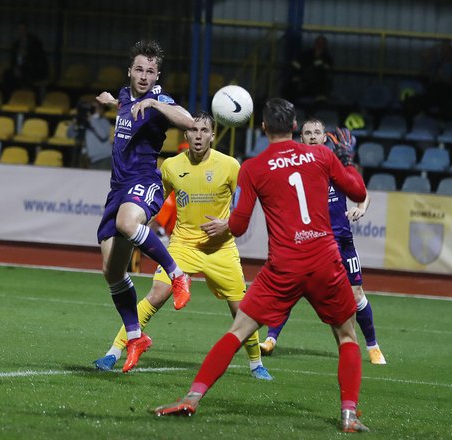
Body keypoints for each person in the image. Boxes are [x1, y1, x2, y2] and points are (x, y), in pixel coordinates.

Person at [153, 98, 370, 433]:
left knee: (238, 330)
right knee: (346, 336)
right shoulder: (322, 155)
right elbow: (356, 189)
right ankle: (348, 415)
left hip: (284, 265)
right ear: (295, 126)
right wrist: (347, 161)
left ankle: (191, 398)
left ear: (264, 128)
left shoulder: (254, 167)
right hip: (325, 260)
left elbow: (238, 226)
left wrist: (223, 225)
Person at [92, 111, 272, 380]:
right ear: (186, 133)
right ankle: (114, 351)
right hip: (183, 245)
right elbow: (154, 202)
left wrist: (227, 223)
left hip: (220, 249)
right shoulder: (171, 166)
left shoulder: (230, 165)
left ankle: (256, 364)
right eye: (193, 131)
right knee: (155, 295)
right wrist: (141, 224)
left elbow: (246, 203)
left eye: (204, 131)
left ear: (212, 136)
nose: (198, 136)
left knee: (241, 310)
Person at [94, 40, 195, 373]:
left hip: (144, 181)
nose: (144, 75)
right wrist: (111, 101)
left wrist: (154, 103)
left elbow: (188, 120)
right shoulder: (125, 95)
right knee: (112, 271)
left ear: (157, 75)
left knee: (127, 223)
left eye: (150, 71)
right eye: (139, 69)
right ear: (130, 71)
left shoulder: (160, 100)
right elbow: (124, 103)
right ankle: (135, 336)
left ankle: (178, 276)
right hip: (117, 189)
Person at [259, 118, 387, 365]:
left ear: (326, 138)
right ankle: (271, 339)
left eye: (318, 132)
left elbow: (362, 191)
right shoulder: (294, 168)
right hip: (310, 242)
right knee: (291, 289)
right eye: (308, 133)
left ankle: (373, 346)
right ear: (301, 138)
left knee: (356, 294)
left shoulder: (332, 164)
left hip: (341, 240)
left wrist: (361, 208)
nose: (313, 136)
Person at [3, 21, 48, 94]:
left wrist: (27, 54)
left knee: (26, 73)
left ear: (26, 30)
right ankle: (9, 98)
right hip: (19, 68)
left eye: (22, 29)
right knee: (7, 74)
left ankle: (26, 94)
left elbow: (39, 59)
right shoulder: (16, 44)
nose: (20, 32)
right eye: (19, 30)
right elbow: (13, 60)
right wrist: (15, 68)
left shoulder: (35, 42)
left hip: (33, 68)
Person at [66, 98, 112, 169]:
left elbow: (103, 135)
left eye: (97, 108)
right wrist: (75, 121)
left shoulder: (103, 121)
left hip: (104, 158)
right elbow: (70, 135)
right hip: (90, 160)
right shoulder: (85, 123)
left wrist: (92, 119)